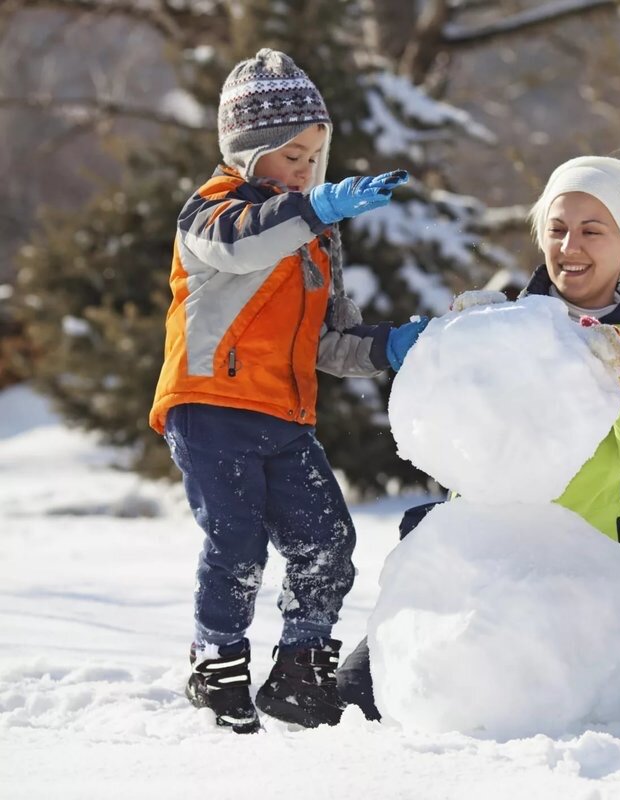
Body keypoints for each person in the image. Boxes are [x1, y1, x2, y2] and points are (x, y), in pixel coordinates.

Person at [336, 155, 620, 721]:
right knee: (361, 696)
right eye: (556, 230)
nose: (569, 246)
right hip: (477, 560)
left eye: (591, 231)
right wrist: (455, 346)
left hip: (580, 573)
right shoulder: (505, 323)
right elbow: (445, 427)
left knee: (546, 718)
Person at [148, 49, 428, 734]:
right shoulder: (211, 213)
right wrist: (316, 207)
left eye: (314, 159)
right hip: (211, 406)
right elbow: (243, 246)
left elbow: (331, 341)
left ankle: (302, 667)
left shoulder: (314, 239)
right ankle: (217, 662)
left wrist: (395, 346)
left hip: (285, 414)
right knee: (237, 542)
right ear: (247, 154)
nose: (305, 172)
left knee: (328, 541)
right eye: (289, 156)